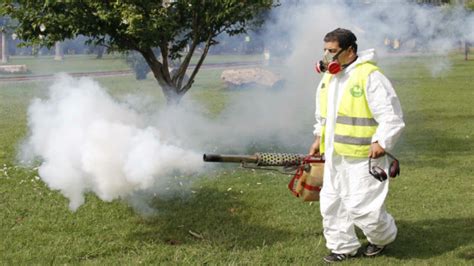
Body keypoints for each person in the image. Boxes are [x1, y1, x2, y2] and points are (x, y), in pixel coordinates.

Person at [310, 28, 405, 263]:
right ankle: (342, 247)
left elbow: (391, 115)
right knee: (332, 204)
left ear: (350, 50)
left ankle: (382, 237)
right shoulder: (329, 78)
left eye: (332, 51)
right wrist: (318, 138)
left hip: (364, 156)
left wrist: (381, 141)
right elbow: (324, 116)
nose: (327, 57)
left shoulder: (370, 76)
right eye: (325, 51)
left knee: (364, 208)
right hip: (335, 155)